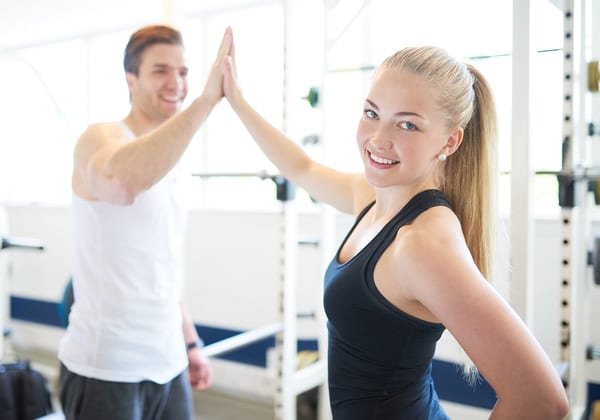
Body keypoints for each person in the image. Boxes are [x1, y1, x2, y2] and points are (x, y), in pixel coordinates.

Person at [221, 32, 569, 419]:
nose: (378, 139)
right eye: (372, 114)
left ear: (449, 142)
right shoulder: (371, 196)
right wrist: (236, 101)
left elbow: (541, 399)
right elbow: (302, 167)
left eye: (407, 126)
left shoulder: (421, 244)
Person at [57, 25, 233, 420]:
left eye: (185, 72)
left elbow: (165, 264)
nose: (177, 82)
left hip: (168, 362)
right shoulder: (99, 138)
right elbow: (121, 183)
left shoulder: (173, 160)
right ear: (130, 80)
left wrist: (190, 344)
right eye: (161, 71)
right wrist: (205, 102)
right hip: (105, 368)